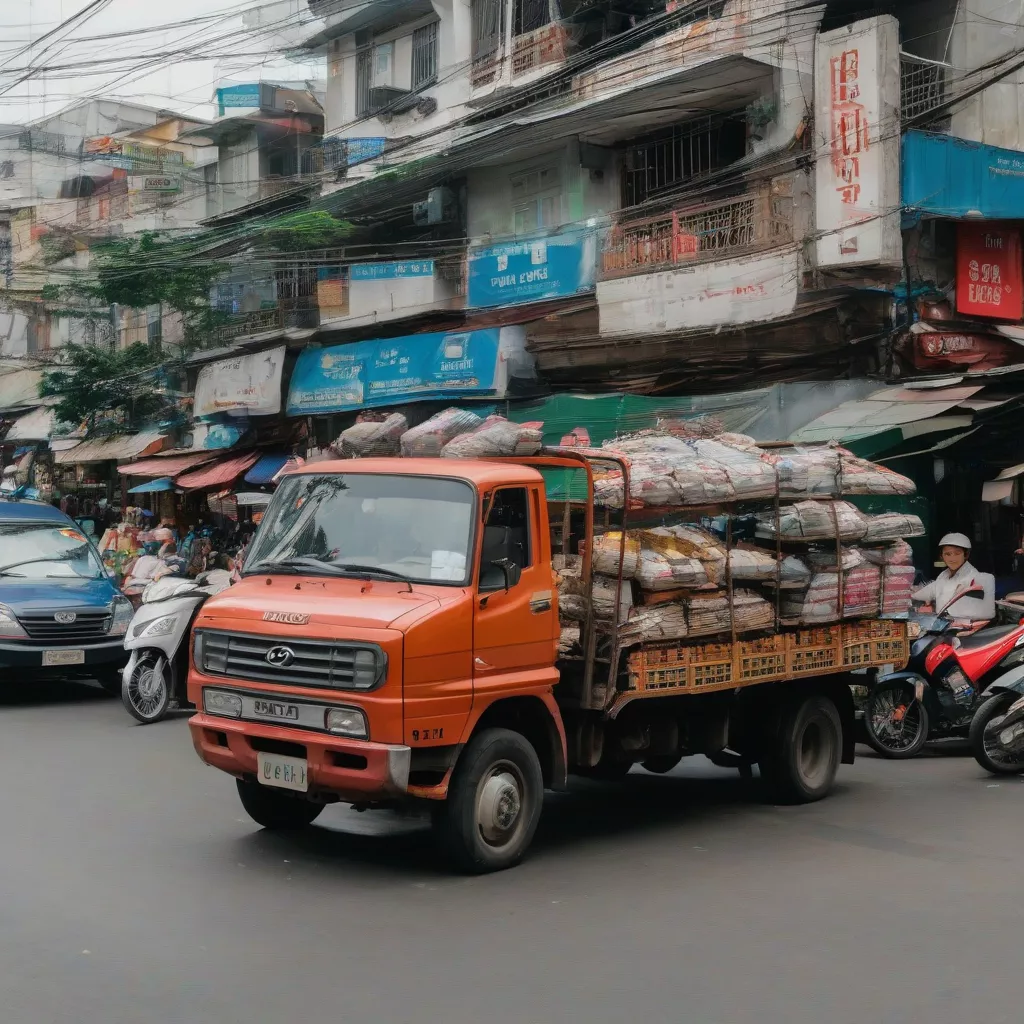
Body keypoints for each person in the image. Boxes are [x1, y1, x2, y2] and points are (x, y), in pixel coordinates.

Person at [912, 533, 995, 624]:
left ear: (966, 555)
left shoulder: (975, 578)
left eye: (957, 553)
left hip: (964, 629)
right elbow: (930, 591)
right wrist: (908, 595)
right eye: (948, 554)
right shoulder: (943, 575)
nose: (952, 558)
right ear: (942, 556)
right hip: (943, 625)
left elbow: (982, 613)